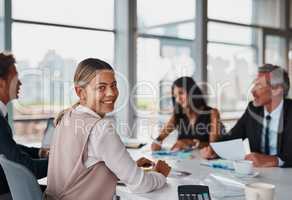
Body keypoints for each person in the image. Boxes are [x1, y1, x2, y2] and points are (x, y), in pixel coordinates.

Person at [45, 58, 171, 200]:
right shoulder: (101, 128)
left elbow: (79, 175)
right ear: (81, 92)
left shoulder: (65, 118)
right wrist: (160, 174)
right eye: (101, 87)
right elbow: (140, 185)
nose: (111, 93)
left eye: (114, 85)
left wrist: (130, 168)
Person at [201, 64, 292, 167]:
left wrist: (274, 160)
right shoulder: (252, 110)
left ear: (277, 90)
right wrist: (214, 150)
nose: (253, 91)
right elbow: (232, 136)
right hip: (257, 175)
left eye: (259, 85)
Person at [0, 52, 49, 195]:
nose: (20, 83)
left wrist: (39, 152)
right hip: (6, 191)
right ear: (1, 83)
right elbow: (27, 168)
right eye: (15, 78)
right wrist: (60, 162)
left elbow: (9, 147)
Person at [151, 76, 224, 152]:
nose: (178, 99)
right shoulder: (178, 114)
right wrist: (156, 142)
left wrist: (190, 143)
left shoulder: (213, 113)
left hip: (204, 161)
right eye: (175, 96)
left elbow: (213, 147)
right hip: (183, 161)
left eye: (181, 93)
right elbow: (160, 138)